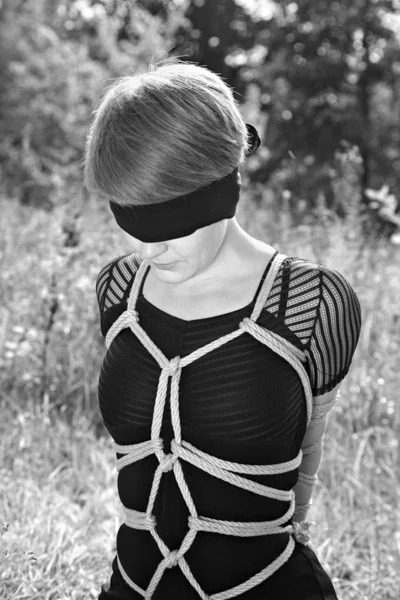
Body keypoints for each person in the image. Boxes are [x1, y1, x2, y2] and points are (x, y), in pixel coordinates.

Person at [84, 60, 362, 600]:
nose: (149, 249)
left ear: (222, 187)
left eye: (167, 222)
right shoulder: (118, 290)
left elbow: (309, 455)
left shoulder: (311, 301)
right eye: (130, 218)